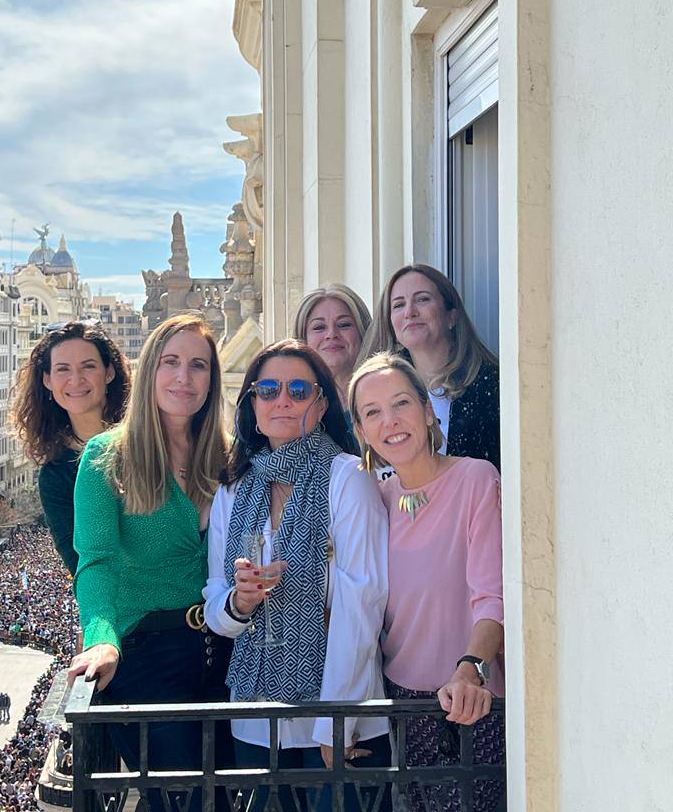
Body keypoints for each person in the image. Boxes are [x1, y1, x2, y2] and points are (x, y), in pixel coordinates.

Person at [204, 339, 390, 812]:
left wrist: (335, 723)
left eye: (298, 389)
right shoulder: (234, 488)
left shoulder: (348, 479)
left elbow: (360, 606)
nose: (281, 400)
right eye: (267, 389)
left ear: (322, 402)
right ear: (252, 404)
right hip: (255, 717)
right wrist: (240, 603)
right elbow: (216, 605)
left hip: (336, 720)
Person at [67, 313, 233, 812]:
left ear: (212, 379)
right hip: (148, 654)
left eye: (198, 365)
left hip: (226, 652)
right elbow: (95, 563)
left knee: (229, 792)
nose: (184, 378)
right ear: (149, 372)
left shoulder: (226, 455)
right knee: (181, 800)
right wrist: (100, 640)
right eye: (171, 362)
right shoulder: (107, 456)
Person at [349, 352, 505, 812]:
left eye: (401, 404)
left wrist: (472, 669)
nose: (390, 421)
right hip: (402, 704)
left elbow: (492, 595)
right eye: (372, 413)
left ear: (427, 411)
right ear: (361, 432)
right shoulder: (376, 497)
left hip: (470, 700)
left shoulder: (476, 478)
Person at [12, 320, 131, 576]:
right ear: (47, 381)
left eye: (88, 366)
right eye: (63, 369)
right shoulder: (56, 475)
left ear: (109, 372)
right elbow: (83, 568)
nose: (75, 380)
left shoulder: (148, 437)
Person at [361, 264, 500, 470]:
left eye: (422, 299)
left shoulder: (492, 386)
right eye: (399, 305)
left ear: (451, 316)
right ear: (391, 325)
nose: (410, 312)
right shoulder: (377, 389)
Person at [292, 285, 371, 435]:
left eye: (344, 325)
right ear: (303, 340)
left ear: (363, 332)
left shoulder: (386, 394)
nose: (332, 334)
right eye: (319, 327)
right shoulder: (291, 404)